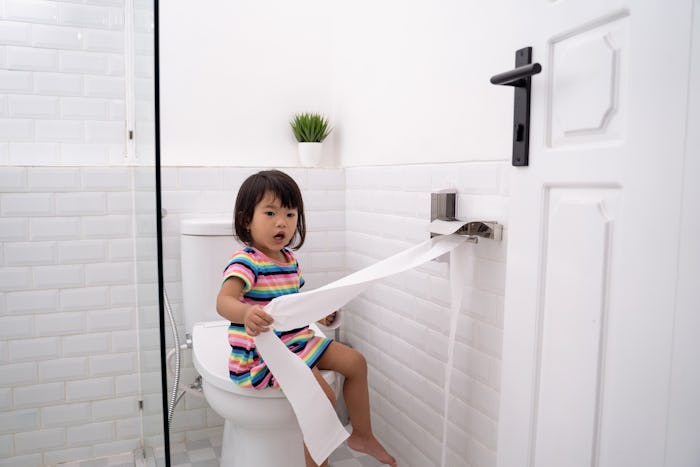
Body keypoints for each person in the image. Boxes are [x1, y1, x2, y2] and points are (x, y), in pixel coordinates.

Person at [216, 170, 397, 467]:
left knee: (356, 363)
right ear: (247, 219)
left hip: (296, 341)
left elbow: (298, 305)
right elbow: (223, 301)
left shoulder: (289, 260)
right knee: (323, 398)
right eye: (271, 212)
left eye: (290, 214)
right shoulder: (246, 261)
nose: (282, 222)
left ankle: (363, 434)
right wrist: (246, 312)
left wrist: (323, 315)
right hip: (267, 353)